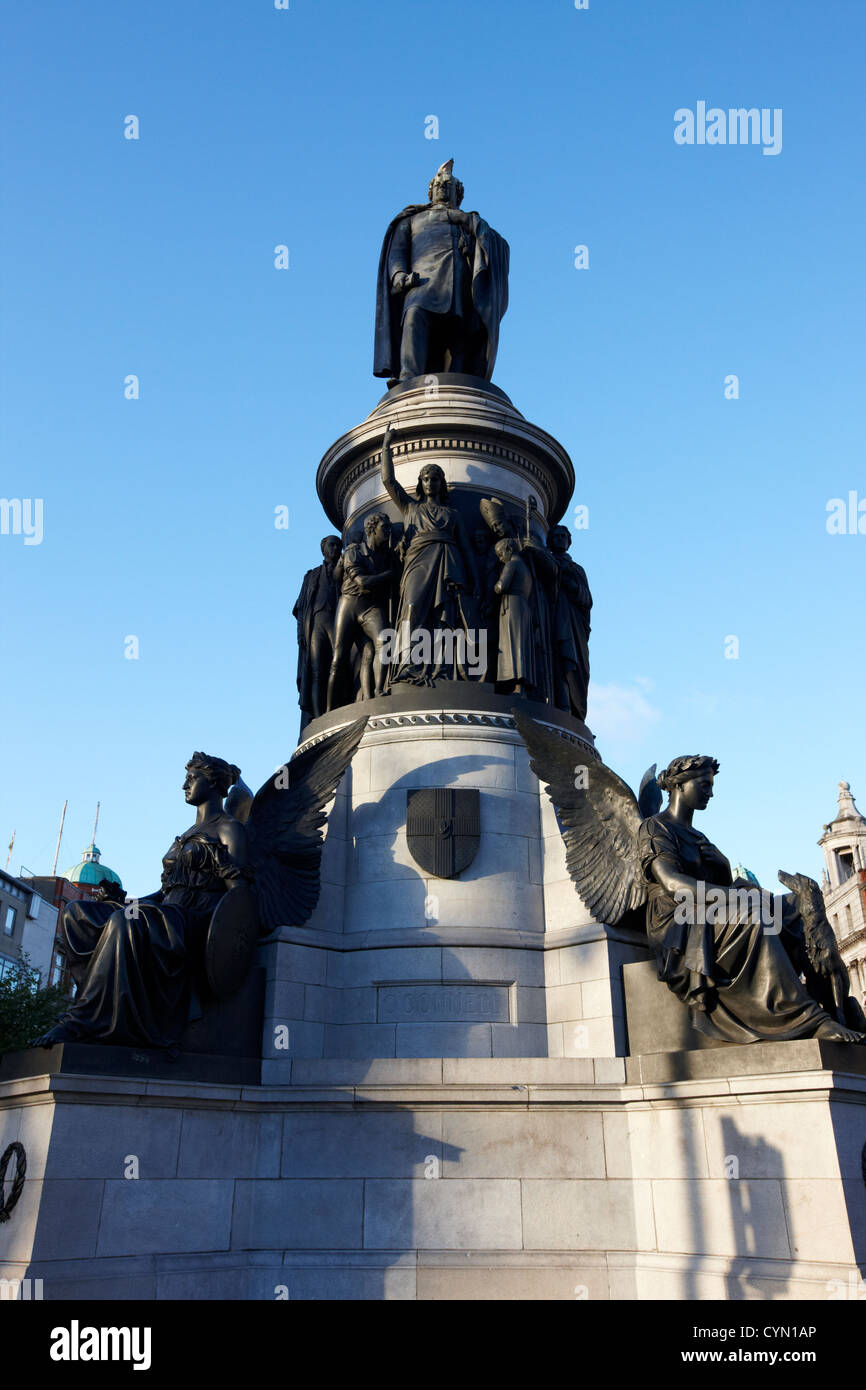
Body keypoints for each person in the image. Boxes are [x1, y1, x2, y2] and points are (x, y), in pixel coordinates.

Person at [32, 754, 252, 1050]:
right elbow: (163, 894)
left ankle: (83, 1020)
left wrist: (224, 865)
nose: (183, 785)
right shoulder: (184, 836)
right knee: (78, 914)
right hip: (165, 911)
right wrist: (122, 901)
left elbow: (240, 898)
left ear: (212, 782)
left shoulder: (229, 829)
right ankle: (103, 1008)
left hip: (195, 920)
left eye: (192, 777)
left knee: (126, 921)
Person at [639, 756, 864, 1044]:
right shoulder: (655, 828)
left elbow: (717, 885)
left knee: (797, 907)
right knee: (754, 912)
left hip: (708, 912)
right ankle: (806, 1019)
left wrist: (722, 866)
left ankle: (836, 1009)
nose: (711, 793)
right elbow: (672, 883)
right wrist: (735, 895)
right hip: (678, 921)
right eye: (704, 785)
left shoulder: (698, 836)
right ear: (680, 786)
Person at [374, 160, 509, 384]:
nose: (442, 187)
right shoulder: (411, 220)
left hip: (459, 285)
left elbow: (497, 245)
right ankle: (408, 378)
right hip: (421, 284)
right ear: (430, 192)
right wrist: (398, 275)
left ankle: (460, 381)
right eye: (438, 184)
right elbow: (397, 251)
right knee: (414, 316)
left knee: (460, 334)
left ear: (458, 193)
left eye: (448, 184)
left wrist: (468, 223)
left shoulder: (469, 222)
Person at [379, 423, 480, 684]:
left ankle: (442, 669)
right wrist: (386, 445)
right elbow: (388, 481)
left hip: (449, 564)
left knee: (444, 617)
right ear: (421, 484)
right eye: (426, 479)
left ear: (441, 483)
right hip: (418, 564)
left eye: (435, 479)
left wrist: (474, 579)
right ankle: (409, 665)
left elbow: (467, 549)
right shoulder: (410, 509)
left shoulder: (453, 516)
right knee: (412, 608)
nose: (430, 483)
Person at [326, 513, 395, 709]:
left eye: (390, 527)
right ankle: (329, 708)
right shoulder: (353, 552)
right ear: (372, 529)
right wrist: (388, 575)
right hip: (349, 604)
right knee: (338, 659)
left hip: (370, 607)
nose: (389, 531)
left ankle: (378, 690)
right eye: (385, 528)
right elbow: (362, 582)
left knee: (384, 641)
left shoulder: (385, 556)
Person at [293, 536, 342, 722]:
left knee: (337, 665)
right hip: (316, 624)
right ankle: (318, 714)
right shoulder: (311, 576)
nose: (335, 548)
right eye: (331, 545)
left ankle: (335, 706)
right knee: (317, 670)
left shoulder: (344, 571)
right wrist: (300, 634)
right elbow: (300, 608)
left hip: (337, 622)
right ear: (323, 549)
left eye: (338, 545)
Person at [546, 524, 592, 721]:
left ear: (569, 541)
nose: (559, 539)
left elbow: (587, 599)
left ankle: (574, 711)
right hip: (552, 619)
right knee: (556, 661)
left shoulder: (576, 569)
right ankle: (561, 706)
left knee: (575, 667)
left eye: (563, 536)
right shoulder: (545, 561)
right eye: (555, 536)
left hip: (572, 622)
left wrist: (568, 583)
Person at [493, 538, 537, 696]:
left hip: (511, 606)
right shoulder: (525, 568)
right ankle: (522, 686)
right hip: (523, 606)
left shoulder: (511, 564)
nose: (500, 558)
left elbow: (501, 586)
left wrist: (494, 585)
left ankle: (516, 684)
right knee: (521, 643)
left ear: (509, 550)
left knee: (512, 644)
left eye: (500, 554)